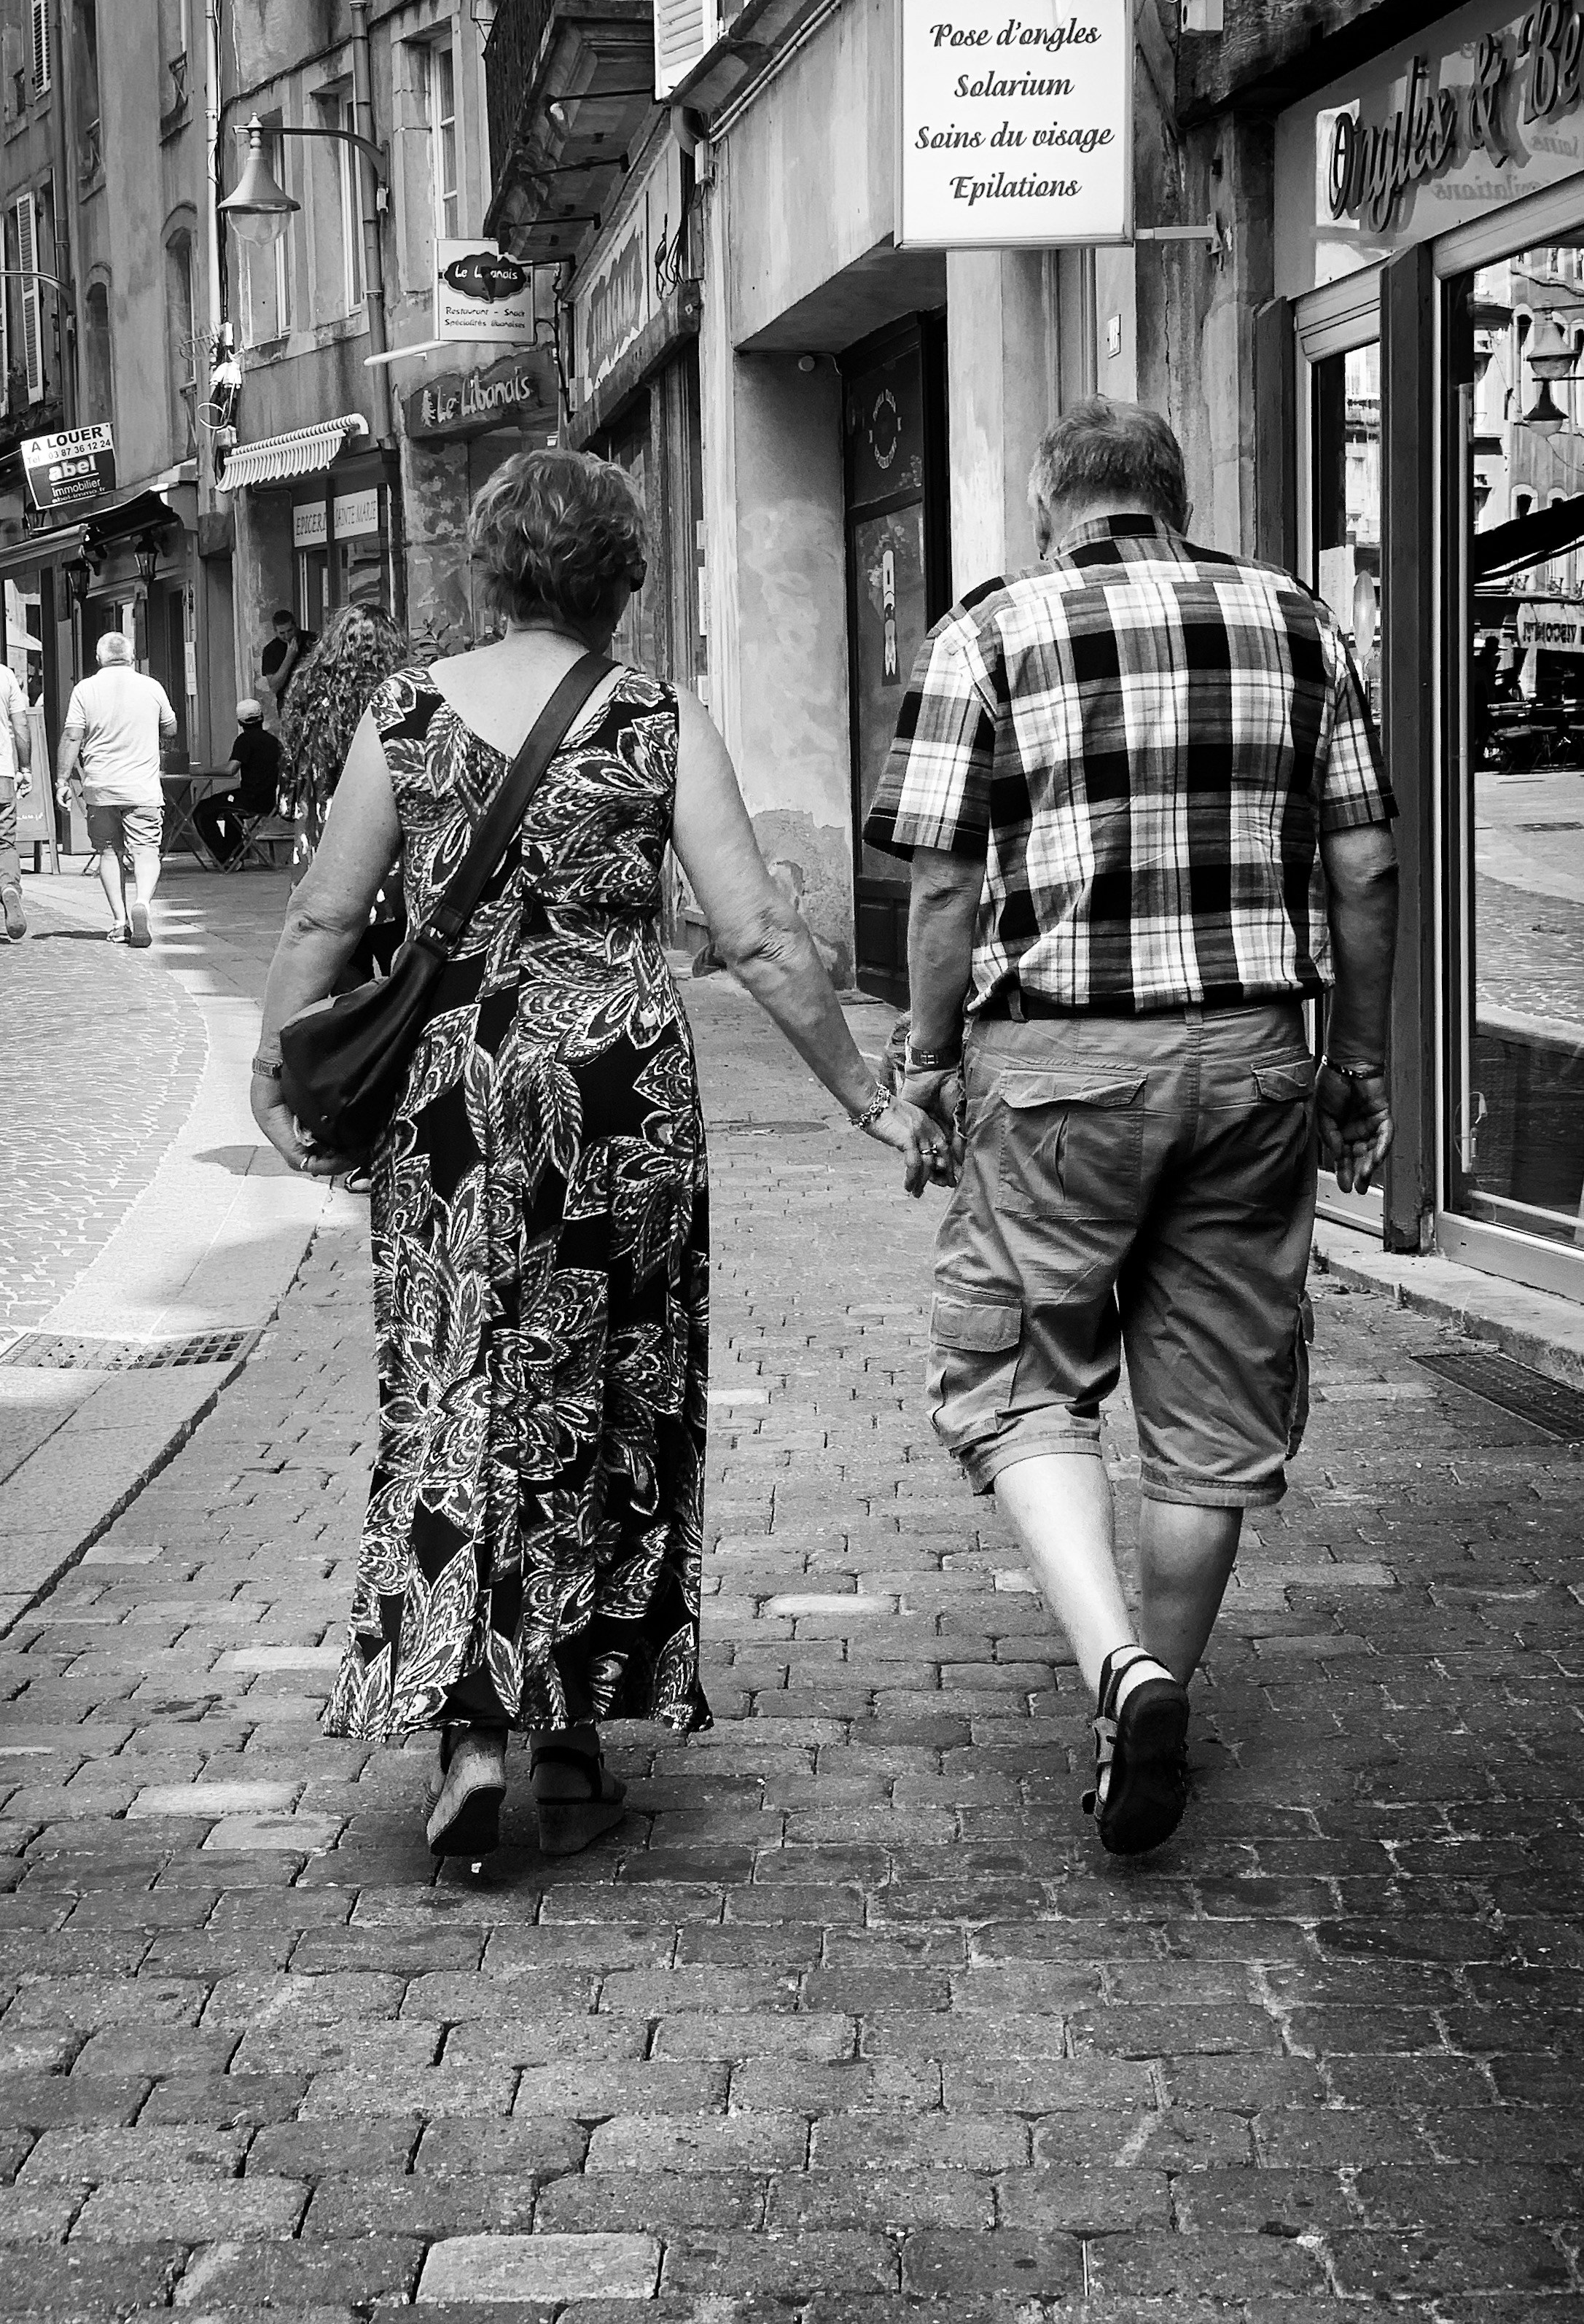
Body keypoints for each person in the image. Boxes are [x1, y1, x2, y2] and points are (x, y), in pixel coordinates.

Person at [249, 448, 944, 1865]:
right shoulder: (650, 715)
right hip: (619, 1095)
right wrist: (862, 1091)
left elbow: (327, 918)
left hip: (454, 1097)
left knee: (458, 1385)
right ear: (620, 576)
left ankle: (468, 1728)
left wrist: (277, 1063)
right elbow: (754, 935)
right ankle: (569, 1729)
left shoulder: (404, 713)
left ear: (490, 573)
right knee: (602, 1388)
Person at [865, 399, 1400, 1858]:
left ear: (1054, 502)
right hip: (1250, 1058)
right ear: (1175, 496)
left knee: (1018, 1374)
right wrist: (1355, 1063)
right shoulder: (1297, 623)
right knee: (1212, 1410)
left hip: (1055, 1068)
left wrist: (924, 1064)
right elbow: (1363, 860)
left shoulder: (988, 631)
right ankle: (1151, 1705)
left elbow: (941, 889)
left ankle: (1123, 1669)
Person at [276, 604, 408, 978]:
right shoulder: (400, 696)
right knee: (398, 965)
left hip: (325, 844)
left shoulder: (307, 692)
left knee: (343, 972)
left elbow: (290, 783)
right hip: (385, 842)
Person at [56, 633, 178, 948]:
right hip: (142, 787)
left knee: (109, 852)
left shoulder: (85, 689)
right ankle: (143, 904)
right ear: (132, 655)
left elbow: (72, 736)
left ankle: (119, 920)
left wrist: (62, 780)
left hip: (100, 786)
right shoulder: (152, 687)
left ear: (99, 659)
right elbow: (171, 728)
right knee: (146, 850)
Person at [191, 699, 283, 867]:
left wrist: (203, 770)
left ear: (240, 722)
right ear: (261, 718)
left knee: (201, 810)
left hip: (250, 800)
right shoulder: (273, 742)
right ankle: (235, 855)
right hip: (269, 801)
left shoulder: (245, 740)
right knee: (226, 810)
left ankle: (224, 857)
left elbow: (230, 769)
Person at [0, 655, 31, 941]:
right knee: (4, 843)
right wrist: (25, 768)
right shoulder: (5, 675)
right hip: (2, 776)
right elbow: (20, 725)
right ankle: (9, 888)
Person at [261, 609, 315, 719]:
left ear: (296, 626)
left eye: (290, 631)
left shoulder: (311, 640)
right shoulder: (271, 650)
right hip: (287, 704)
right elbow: (274, 686)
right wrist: (289, 658)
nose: (287, 636)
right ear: (276, 632)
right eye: (282, 633)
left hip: (312, 699)